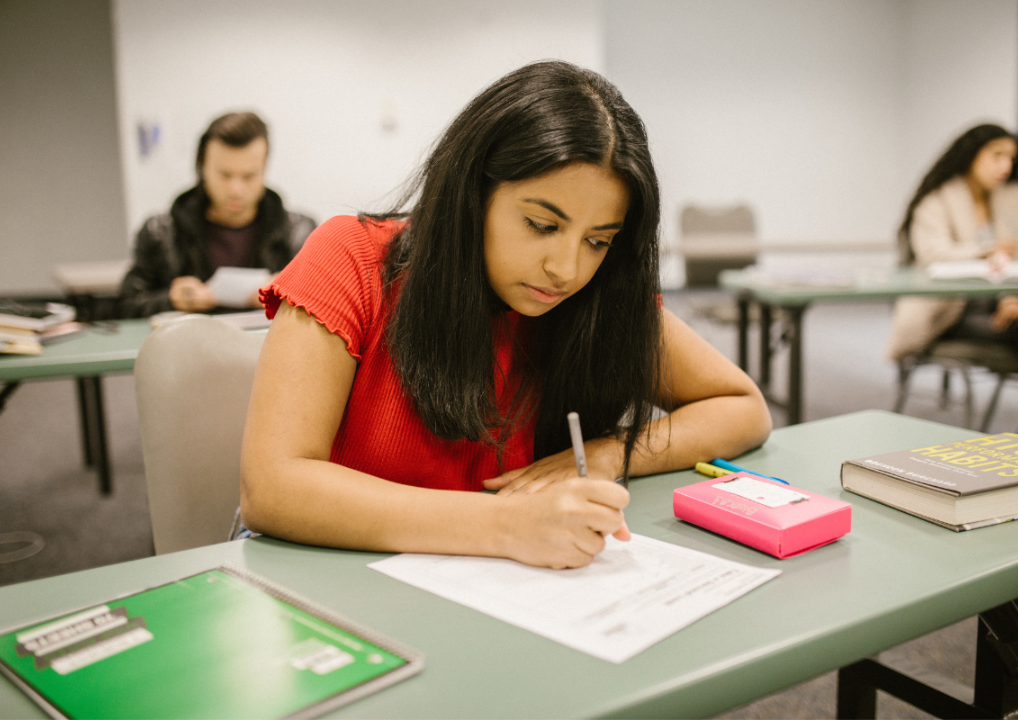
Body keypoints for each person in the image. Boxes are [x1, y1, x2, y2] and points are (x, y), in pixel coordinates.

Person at [240, 61, 772, 569]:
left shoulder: (600, 296)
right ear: (473, 192)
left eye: (598, 240)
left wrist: (609, 455)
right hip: (332, 580)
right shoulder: (352, 258)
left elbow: (742, 408)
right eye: (542, 225)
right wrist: (505, 524)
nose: (566, 269)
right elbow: (273, 488)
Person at [119, 112, 316, 318]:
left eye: (249, 176)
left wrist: (286, 295)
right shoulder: (161, 232)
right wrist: (170, 300)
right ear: (202, 167)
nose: (236, 189)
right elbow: (125, 307)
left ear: (264, 168)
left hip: (271, 348)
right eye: (224, 175)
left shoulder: (299, 232)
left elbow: (328, 308)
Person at [887, 124, 1018, 360]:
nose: (1006, 166)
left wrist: (1012, 300)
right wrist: (986, 250)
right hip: (949, 314)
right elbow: (932, 254)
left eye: (1010, 158)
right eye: (997, 156)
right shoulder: (937, 200)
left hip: (997, 305)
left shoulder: (1003, 200)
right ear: (971, 155)